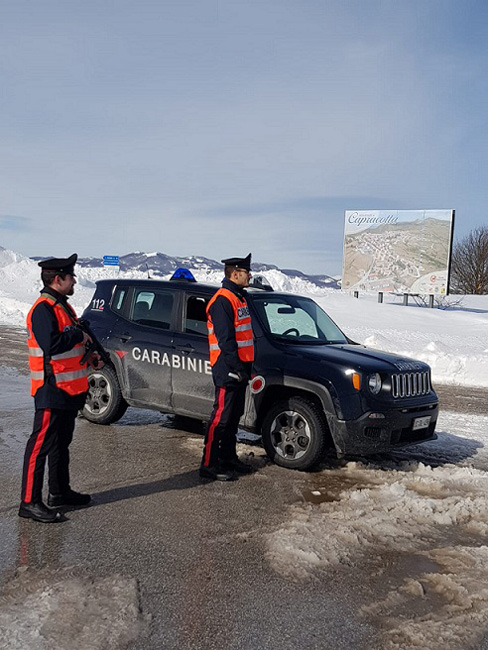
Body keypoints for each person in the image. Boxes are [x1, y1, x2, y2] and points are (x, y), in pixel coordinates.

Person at [19, 254, 94, 523]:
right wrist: (77, 335)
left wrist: (87, 351)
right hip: (51, 388)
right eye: (70, 276)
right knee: (39, 445)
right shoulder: (44, 308)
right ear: (58, 279)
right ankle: (29, 501)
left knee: (61, 443)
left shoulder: (63, 306)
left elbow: (69, 344)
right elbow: (50, 343)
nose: (74, 280)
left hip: (68, 388)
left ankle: (60, 492)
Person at [200, 253, 255, 481]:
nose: (250, 275)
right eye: (246, 272)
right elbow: (226, 341)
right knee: (220, 418)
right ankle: (208, 464)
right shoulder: (222, 301)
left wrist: (248, 367)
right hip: (227, 368)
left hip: (241, 368)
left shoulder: (240, 297)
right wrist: (238, 368)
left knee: (234, 416)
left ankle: (228, 458)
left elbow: (245, 337)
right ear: (235, 274)